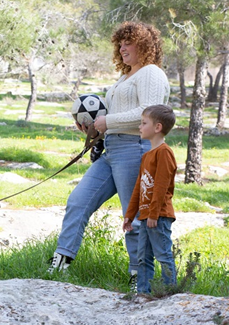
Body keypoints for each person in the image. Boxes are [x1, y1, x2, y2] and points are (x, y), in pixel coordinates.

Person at [48, 21, 170, 289]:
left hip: (135, 149)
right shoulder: (125, 77)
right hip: (112, 150)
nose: (122, 47)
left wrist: (107, 121)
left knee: (135, 217)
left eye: (129, 42)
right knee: (78, 201)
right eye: (120, 43)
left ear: (145, 45)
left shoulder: (150, 73)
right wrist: (95, 130)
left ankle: (139, 276)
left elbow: (148, 113)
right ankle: (59, 264)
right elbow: (114, 119)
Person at [122, 104, 177, 294]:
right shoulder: (147, 155)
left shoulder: (164, 153)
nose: (140, 127)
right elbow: (139, 188)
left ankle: (170, 293)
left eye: (144, 123)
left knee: (163, 255)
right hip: (146, 216)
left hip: (159, 216)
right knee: (143, 257)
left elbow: (161, 187)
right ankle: (142, 294)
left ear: (157, 127)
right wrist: (130, 215)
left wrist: (154, 214)